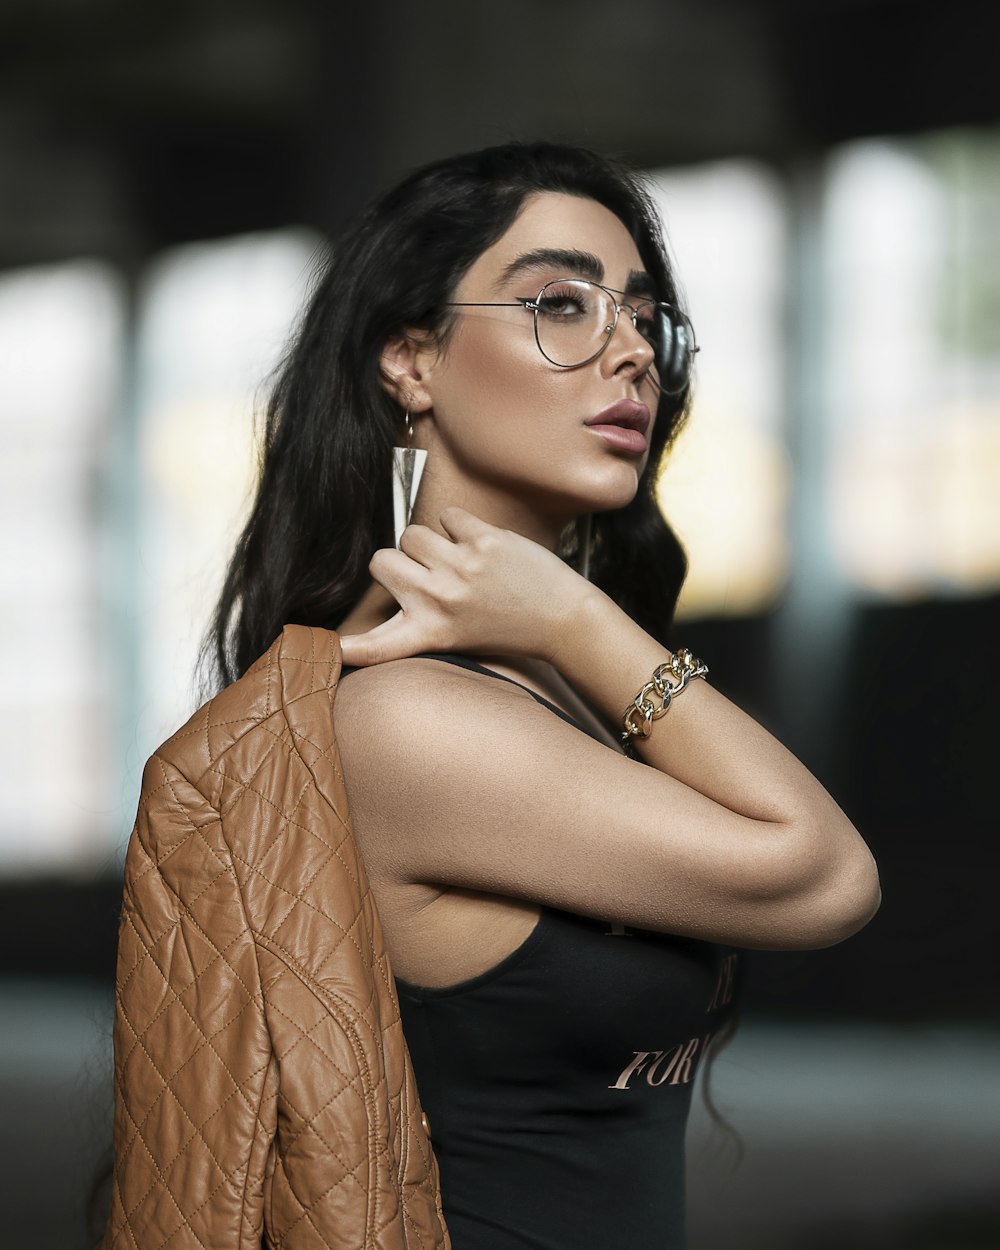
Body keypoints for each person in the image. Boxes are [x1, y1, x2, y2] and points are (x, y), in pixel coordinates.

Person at [205, 141, 881, 1249]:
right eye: (558, 304)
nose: (628, 354)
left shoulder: (536, 692)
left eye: (640, 317)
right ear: (411, 361)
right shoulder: (404, 716)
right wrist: (575, 618)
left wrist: (564, 631)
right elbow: (824, 876)